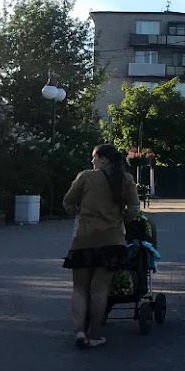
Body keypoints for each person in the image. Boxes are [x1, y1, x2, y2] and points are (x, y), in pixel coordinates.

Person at [62, 144, 140, 349]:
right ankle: (94, 334)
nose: (92, 161)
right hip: (112, 240)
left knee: (79, 288)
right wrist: (121, 220)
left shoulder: (86, 177)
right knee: (99, 289)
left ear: (103, 159)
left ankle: (79, 331)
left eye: (94, 157)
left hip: (84, 239)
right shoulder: (125, 180)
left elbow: (68, 202)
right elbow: (133, 208)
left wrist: (79, 216)